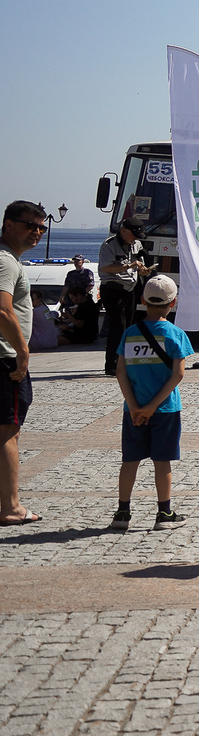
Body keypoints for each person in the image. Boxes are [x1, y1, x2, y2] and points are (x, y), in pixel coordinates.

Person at [110, 274, 193, 532]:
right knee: (162, 461)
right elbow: (178, 374)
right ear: (173, 302)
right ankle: (164, 513)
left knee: (130, 460)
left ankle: (122, 512)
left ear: (143, 300)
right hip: (165, 408)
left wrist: (135, 406)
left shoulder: (130, 334)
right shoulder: (176, 334)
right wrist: (152, 407)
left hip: (133, 409)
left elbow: (120, 372)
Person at [0, 201, 45, 526]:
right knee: (8, 432)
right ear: (9, 224)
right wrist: (22, 351)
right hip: (6, 359)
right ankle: (11, 507)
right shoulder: (5, 261)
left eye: (41, 227)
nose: (37, 232)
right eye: (30, 225)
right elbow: (3, 309)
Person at [98, 219, 153, 375]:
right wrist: (129, 266)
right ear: (123, 230)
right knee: (118, 327)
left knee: (128, 327)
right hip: (113, 288)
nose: (135, 239)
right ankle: (112, 365)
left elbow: (139, 267)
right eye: (133, 235)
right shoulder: (109, 245)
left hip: (130, 289)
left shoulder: (137, 245)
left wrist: (144, 271)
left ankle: (125, 361)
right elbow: (106, 267)